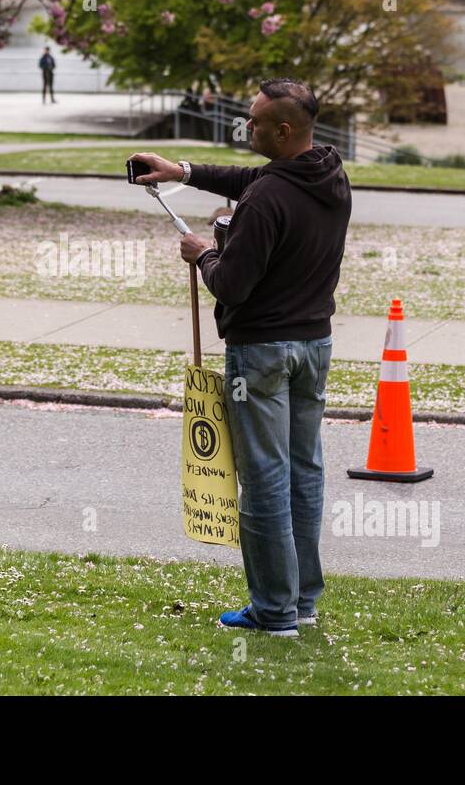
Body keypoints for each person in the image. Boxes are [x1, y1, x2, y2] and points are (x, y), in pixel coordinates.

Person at [129, 78, 352, 638]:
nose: (245, 127)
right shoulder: (326, 170)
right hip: (314, 345)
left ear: (282, 129)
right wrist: (182, 172)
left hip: (261, 356)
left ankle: (274, 611)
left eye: (254, 122)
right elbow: (254, 178)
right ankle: (301, 600)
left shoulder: (264, 201)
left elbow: (232, 287)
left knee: (265, 479)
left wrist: (205, 253)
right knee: (305, 472)